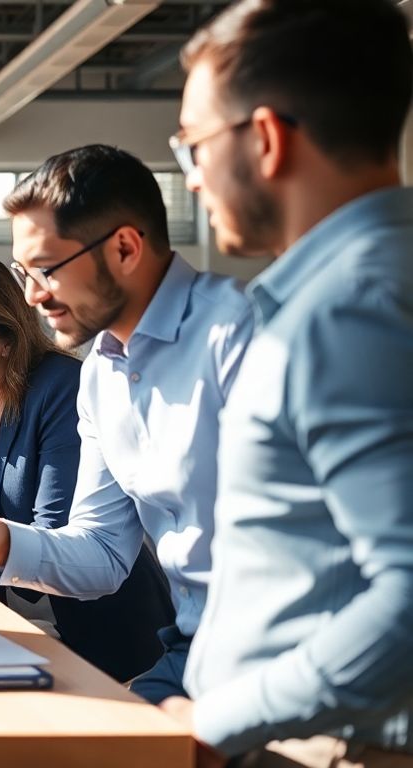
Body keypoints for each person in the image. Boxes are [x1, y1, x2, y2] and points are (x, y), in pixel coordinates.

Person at [0, 144, 253, 703]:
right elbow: (104, 557)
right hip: (192, 651)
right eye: (23, 272)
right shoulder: (102, 376)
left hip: (256, 656)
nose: (32, 295)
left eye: (45, 270)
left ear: (126, 248)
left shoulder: (241, 335)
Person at [169, 1, 413, 763]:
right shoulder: (366, 286)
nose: (195, 178)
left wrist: (223, 718)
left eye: (193, 146)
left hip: (327, 748)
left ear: (267, 138)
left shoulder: (348, 311)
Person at [0, 255, 173, 682]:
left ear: (8, 338)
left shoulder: (61, 388)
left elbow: (54, 533)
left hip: (106, 643)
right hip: (19, 635)